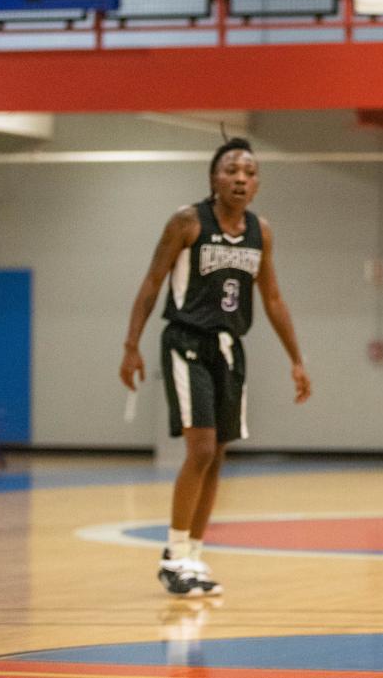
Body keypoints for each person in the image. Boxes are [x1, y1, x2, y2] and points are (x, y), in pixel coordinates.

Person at [119, 137, 311, 597]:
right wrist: (131, 345)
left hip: (230, 347)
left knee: (218, 455)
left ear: (257, 182)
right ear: (213, 178)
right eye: (231, 170)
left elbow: (273, 298)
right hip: (185, 340)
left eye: (249, 171)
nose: (241, 178)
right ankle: (173, 554)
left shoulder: (260, 232)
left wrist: (297, 360)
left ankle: (195, 557)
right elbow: (151, 282)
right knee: (200, 450)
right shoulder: (187, 222)